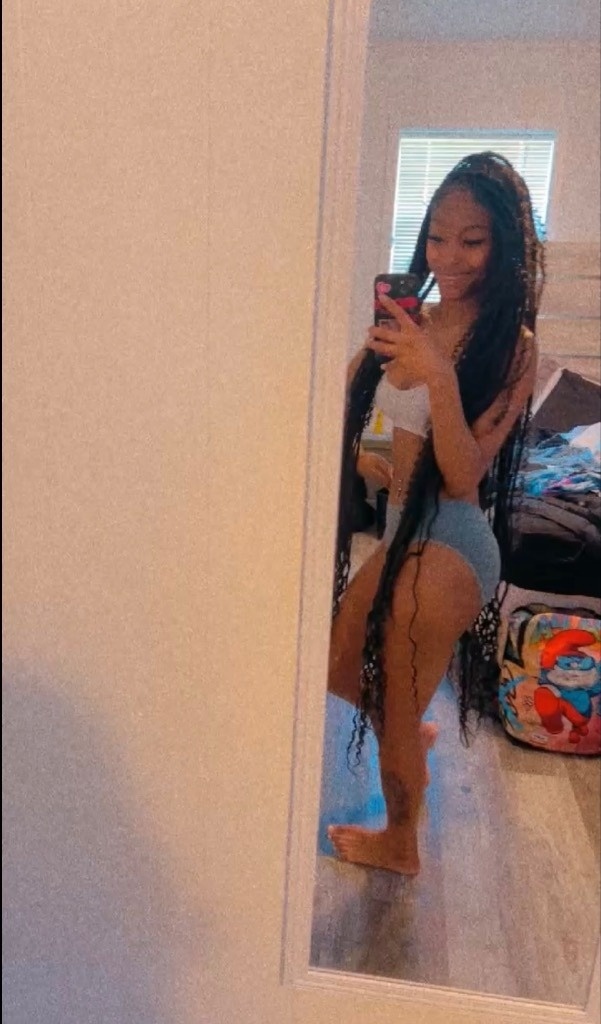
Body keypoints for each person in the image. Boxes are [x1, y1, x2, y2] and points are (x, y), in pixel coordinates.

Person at [327, 152, 544, 875]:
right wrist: (362, 455)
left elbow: (462, 474)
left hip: (453, 538)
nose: (449, 257)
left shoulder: (513, 348)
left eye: (472, 241)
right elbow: (343, 407)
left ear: (503, 246)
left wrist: (441, 379)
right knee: (337, 664)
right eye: (437, 238)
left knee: (394, 690)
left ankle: (400, 843)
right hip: (399, 529)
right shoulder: (412, 317)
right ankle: (405, 730)